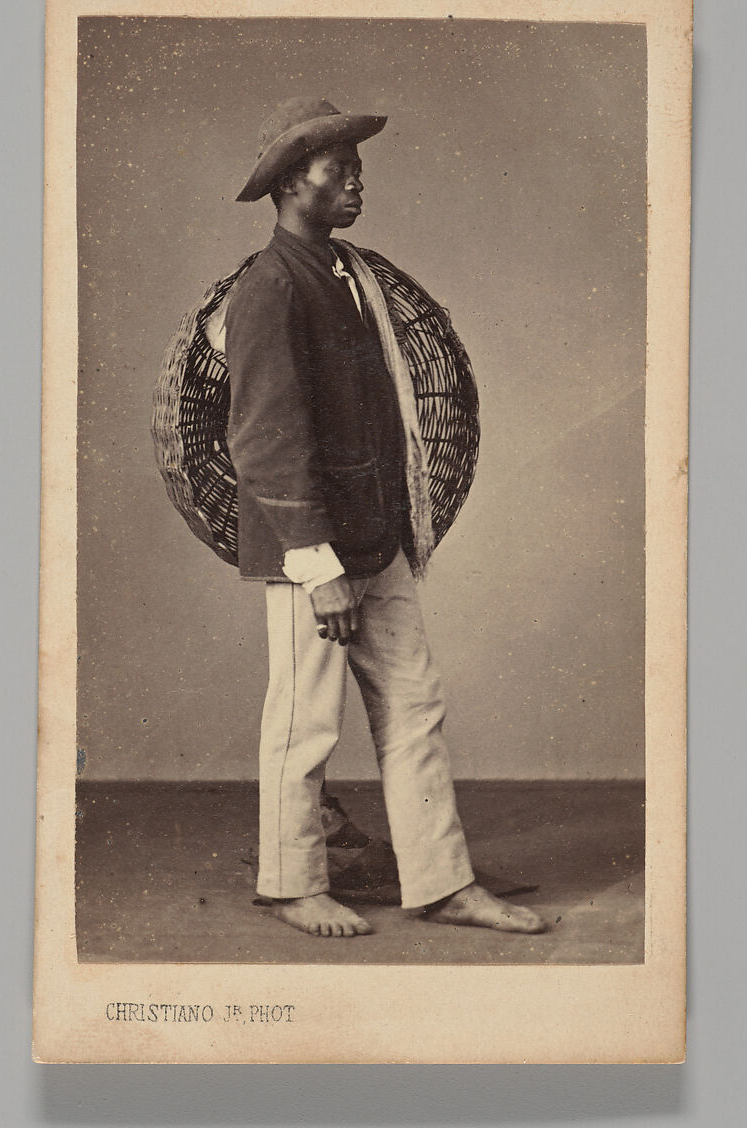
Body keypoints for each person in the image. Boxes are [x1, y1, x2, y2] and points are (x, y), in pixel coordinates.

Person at [223, 96, 545, 939]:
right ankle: (292, 884)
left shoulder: (345, 275)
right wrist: (318, 565)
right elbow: (262, 440)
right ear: (293, 183)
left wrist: (383, 535)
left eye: (358, 166)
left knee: (413, 706)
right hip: (312, 553)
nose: (358, 179)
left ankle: (442, 882)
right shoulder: (268, 289)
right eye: (340, 168)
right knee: (305, 721)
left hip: (374, 536)